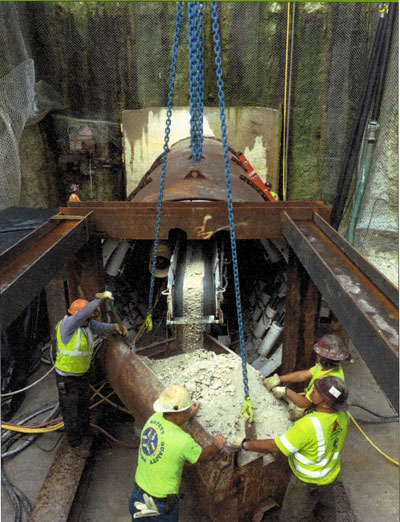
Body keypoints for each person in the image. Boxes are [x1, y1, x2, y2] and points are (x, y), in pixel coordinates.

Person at [239, 376, 349, 522]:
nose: (312, 391)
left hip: (307, 482)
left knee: (292, 517)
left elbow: (275, 446)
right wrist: (290, 396)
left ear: (326, 404)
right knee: (326, 510)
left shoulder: (308, 426)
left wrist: (246, 444)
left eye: (317, 391)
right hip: (329, 476)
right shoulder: (342, 416)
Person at [129, 385, 226, 521]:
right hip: (159, 505)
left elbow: (170, 425)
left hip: (138, 496)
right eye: (186, 410)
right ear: (177, 414)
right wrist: (216, 446)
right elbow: (206, 455)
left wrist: (188, 415)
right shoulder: (183, 441)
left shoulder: (154, 419)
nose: (188, 411)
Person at [55, 290, 128, 458]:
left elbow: (99, 326)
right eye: (87, 317)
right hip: (67, 378)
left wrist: (114, 328)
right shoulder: (68, 326)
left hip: (81, 375)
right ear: (78, 316)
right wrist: (97, 299)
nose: (90, 320)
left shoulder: (86, 325)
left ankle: (85, 432)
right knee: (72, 411)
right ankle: (75, 445)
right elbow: (84, 315)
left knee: (83, 406)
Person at [263, 334, 348, 418]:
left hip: (322, 415)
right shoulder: (326, 366)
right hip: (317, 403)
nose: (317, 355)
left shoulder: (327, 380)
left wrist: (286, 391)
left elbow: (306, 403)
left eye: (319, 354)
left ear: (325, 359)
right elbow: (302, 375)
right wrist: (279, 379)